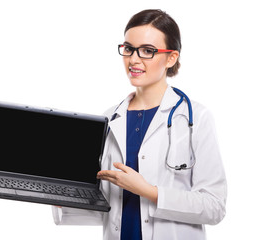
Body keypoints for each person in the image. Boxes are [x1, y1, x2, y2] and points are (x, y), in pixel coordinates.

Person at [52, 9, 227, 240]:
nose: (134, 59)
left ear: (171, 58)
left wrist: (148, 192)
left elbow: (214, 207)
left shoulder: (195, 118)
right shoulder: (109, 119)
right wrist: (54, 191)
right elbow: (109, 206)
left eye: (147, 51)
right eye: (128, 48)